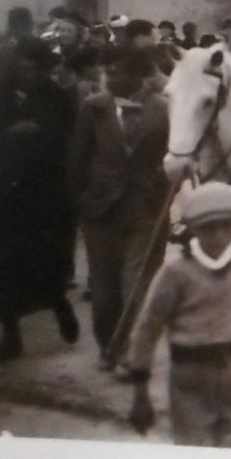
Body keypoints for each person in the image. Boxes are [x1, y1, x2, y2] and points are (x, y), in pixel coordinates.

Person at [126, 182, 231, 447]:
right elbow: (147, 328)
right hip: (188, 378)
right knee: (193, 453)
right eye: (207, 228)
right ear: (193, 229)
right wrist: (140, 390)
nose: (218, 236)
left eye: (226, 225)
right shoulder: (176, 272)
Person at [0, 38, 80, 363]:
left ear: (45, 70)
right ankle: (11, 337)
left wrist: (35, 132)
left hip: (44, 195)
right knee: (0, 264)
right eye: (21, 69)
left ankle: (59, 303)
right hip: (3, 194)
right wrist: (14, 132)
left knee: (44, 259)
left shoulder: (57, 97)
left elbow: (62, 138)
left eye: (33, 70)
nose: (27, 75)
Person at [66, 46, 172, 364]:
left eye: (115, 72)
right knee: (104, 284)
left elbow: (176, 157)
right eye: (105, 72)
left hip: (147, 207)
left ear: (137, 75)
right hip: (101, 209)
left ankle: (130, 350)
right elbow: (77, 158)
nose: (107, 78)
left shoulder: (164, 109)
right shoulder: (93, 107)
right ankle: (107, 346)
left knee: (136, 281)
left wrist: (164, 197)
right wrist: (80, 200)